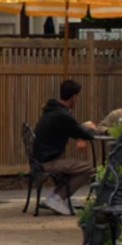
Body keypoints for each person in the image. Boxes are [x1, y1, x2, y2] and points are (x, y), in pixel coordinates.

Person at [31, 78, 96, 215]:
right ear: (73, 97)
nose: (78, 100)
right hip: (48, 162)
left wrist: (81, 129)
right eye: (77, 96)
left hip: (39, 159)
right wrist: (91, 129)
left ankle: (57, 196)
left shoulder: (52, 110)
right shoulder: (62, 115)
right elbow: (83, 134)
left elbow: (74, 129)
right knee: (88, 169)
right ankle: (58, 197)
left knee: (77, 165)